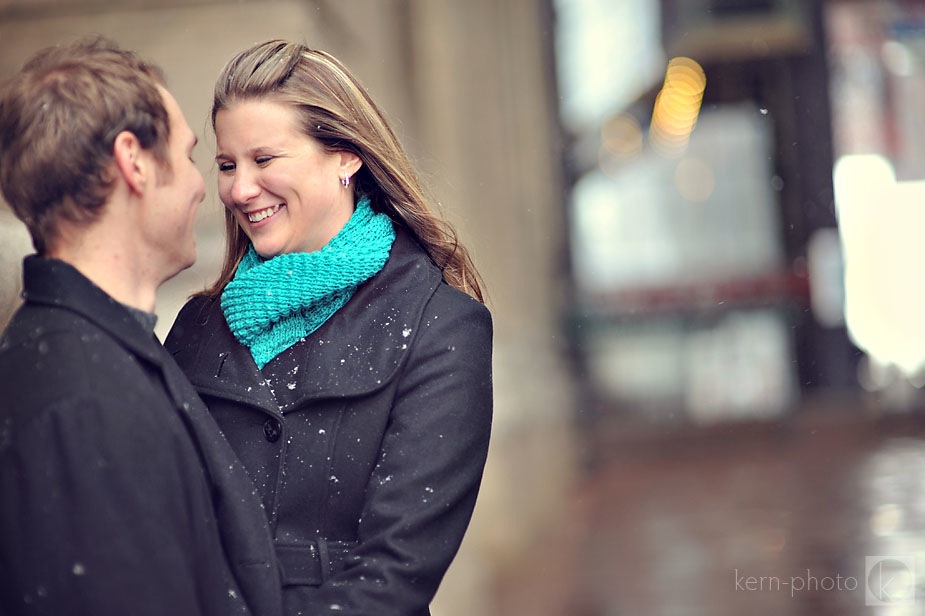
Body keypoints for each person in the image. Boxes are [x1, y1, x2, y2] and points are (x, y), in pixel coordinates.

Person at [164, 39, 493, 615]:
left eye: (264, 160)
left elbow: (397, 571)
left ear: (346, 156)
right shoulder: (196, 327)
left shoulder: (441, 327)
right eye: (226, 165)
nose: (240, 189)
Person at [0, 37, 283, 616]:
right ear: (132, 161)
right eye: (186, 157)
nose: (206, 185)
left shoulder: (102, 353)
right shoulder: (83, 398)